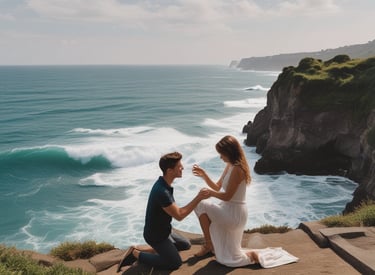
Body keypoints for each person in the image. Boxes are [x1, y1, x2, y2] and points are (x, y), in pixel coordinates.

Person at [117, 151, 209, 272]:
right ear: (170, 171)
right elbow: (179, 215)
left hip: (165, 230)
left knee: (185, 245)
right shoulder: (162, 191)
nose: (182, 168)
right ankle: (134, 254)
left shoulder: (164, 184)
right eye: (179, 166)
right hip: (156, 236)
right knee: (174, 262)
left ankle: (147, 250)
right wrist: (198, 197)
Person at [192, 135, 259, 267]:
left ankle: (208, 245)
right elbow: (217, 186)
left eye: (222, 154)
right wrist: (204, 175)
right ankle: (210, 244)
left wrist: (210, 193)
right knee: (201, 205)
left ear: (229, 152)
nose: (220, 157)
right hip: (228, 209)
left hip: (235, 214)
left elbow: (227, 196)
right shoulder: (230, 165)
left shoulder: (238, 169)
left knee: (200, 204)